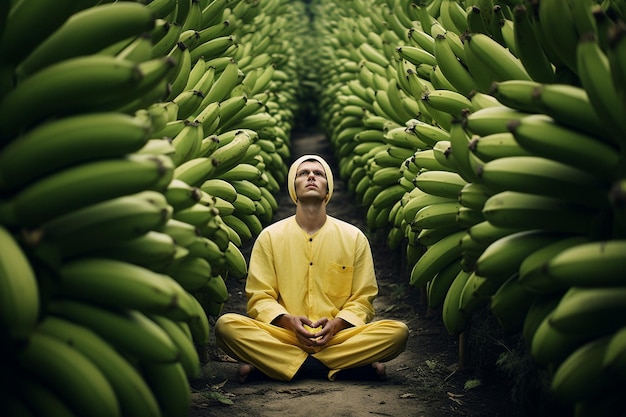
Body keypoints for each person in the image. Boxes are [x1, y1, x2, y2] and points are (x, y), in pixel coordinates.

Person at [214, 154, 409, 383]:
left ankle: (279, 366)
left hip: (338, 337)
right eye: (303, 174)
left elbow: (362, 299)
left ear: (328, 189)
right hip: (285, 336)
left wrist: (336, 325)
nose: (311, 177)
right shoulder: (270, 237)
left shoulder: (354, 237)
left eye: (318, 174)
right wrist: (288, 321)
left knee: (397, 333)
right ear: (293, 187)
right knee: (226, 327)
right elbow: (259, 298)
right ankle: (343, 366)